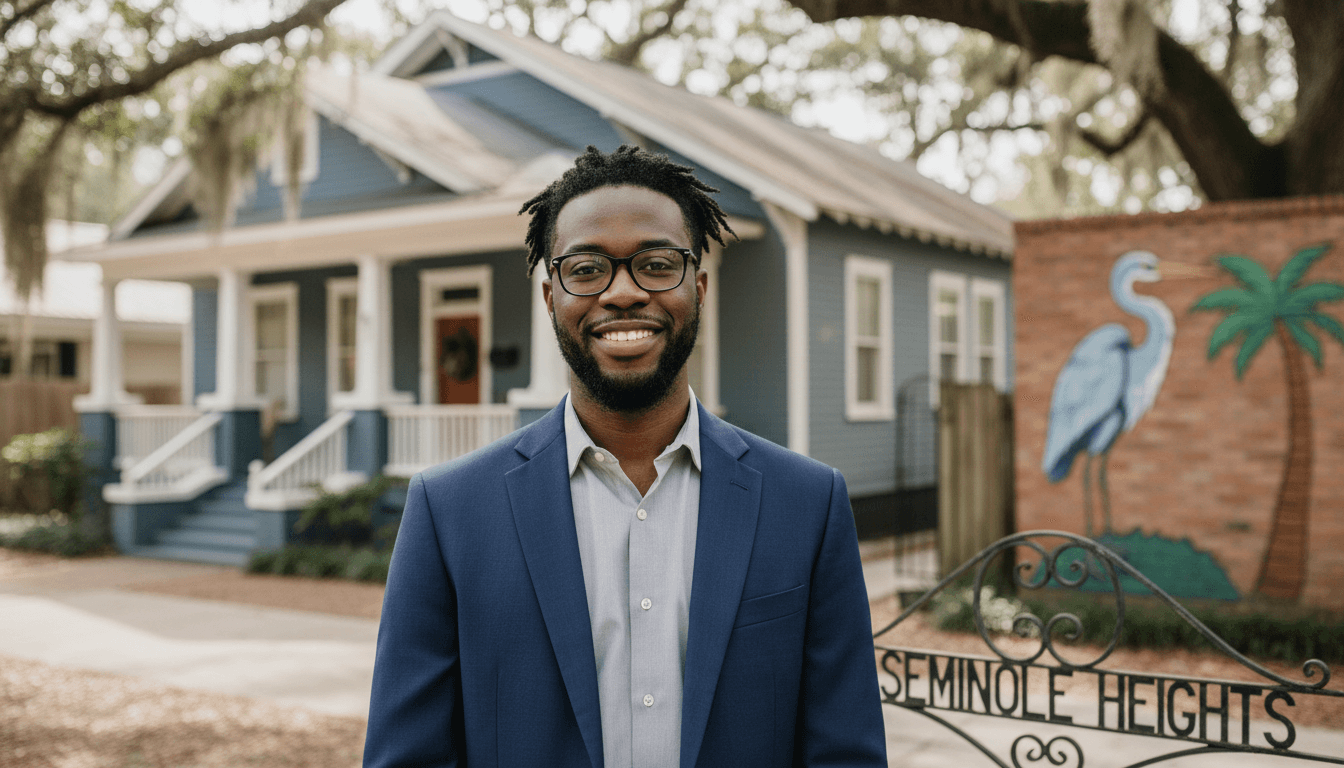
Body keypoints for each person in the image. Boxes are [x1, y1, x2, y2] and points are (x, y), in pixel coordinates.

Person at [363, 145, 886, 768]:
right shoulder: (449, 512)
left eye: (656, 264)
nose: (623, 293)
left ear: (699, 287)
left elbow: (845, 753)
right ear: (549, 297)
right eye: (586, 269)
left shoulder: (807, 504)